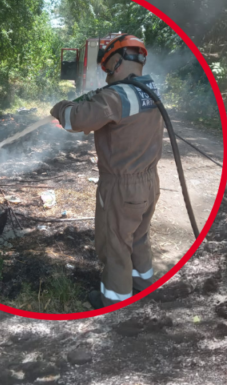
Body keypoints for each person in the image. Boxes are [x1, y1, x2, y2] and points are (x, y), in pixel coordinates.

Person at [49, 34, 163, 308]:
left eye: (106, 67)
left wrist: (59, 106)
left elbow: (75, 120)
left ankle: (115, 303)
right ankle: (142, 287)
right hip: (149, 182)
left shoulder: (117, 95)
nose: (106, 74)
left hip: (121, 187)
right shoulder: (150, 91)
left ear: (117, 62)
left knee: (115, 246)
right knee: (138, 238)